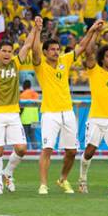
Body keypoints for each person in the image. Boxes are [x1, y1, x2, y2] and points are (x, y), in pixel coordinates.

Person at [31, 19, 99, 194]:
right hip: (49, 113)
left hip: (67, 112)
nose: (55, 52)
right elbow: (35, 52)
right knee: (47, 149)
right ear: (45, 51)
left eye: (57, 49)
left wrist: (91, 30)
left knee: (72, 151)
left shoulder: (65, 60)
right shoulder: (40, 65)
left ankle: (62, 179)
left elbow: (82, 46)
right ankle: (43, 185)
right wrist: (37, 31)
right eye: (51, 49)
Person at [0, 16, 40, 195]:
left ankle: (7, 173)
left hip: (13, 113)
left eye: (10, 51)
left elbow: (27, 45)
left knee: (22, 149)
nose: (7, 54)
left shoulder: (16, 63)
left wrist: (35, 27)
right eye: (4, 51)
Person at [76, 20, 108, 194]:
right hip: (96, 118)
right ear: (102, 58)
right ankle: (82, 180)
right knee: (89, 151)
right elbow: (88, 51)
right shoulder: (94, 70)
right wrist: (95, 31)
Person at [19, 81, 39, 151]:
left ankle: (26, 151)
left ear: (23, 86)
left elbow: (20, 109)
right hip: (35, 119)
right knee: (33, 135)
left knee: (25, 136)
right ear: (30, 86)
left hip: (25, 119)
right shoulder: (36, 95)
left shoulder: (22, 95)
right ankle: (36, 150)